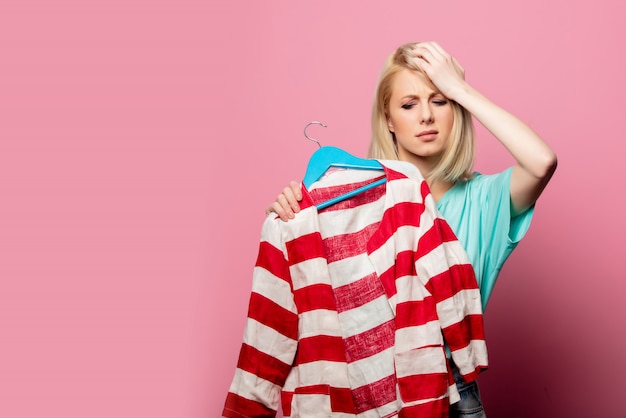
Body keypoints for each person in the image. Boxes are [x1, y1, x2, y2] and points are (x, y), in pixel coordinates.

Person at [266, 41, 558, 417]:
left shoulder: (485, 200)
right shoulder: (352, 199)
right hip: (366, 390)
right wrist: (292, 214)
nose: (426, 117)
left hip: (453, 391)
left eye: (439, 102)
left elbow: (541, 162)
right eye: (409, 104)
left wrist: (460, 89)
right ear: (388, 118)